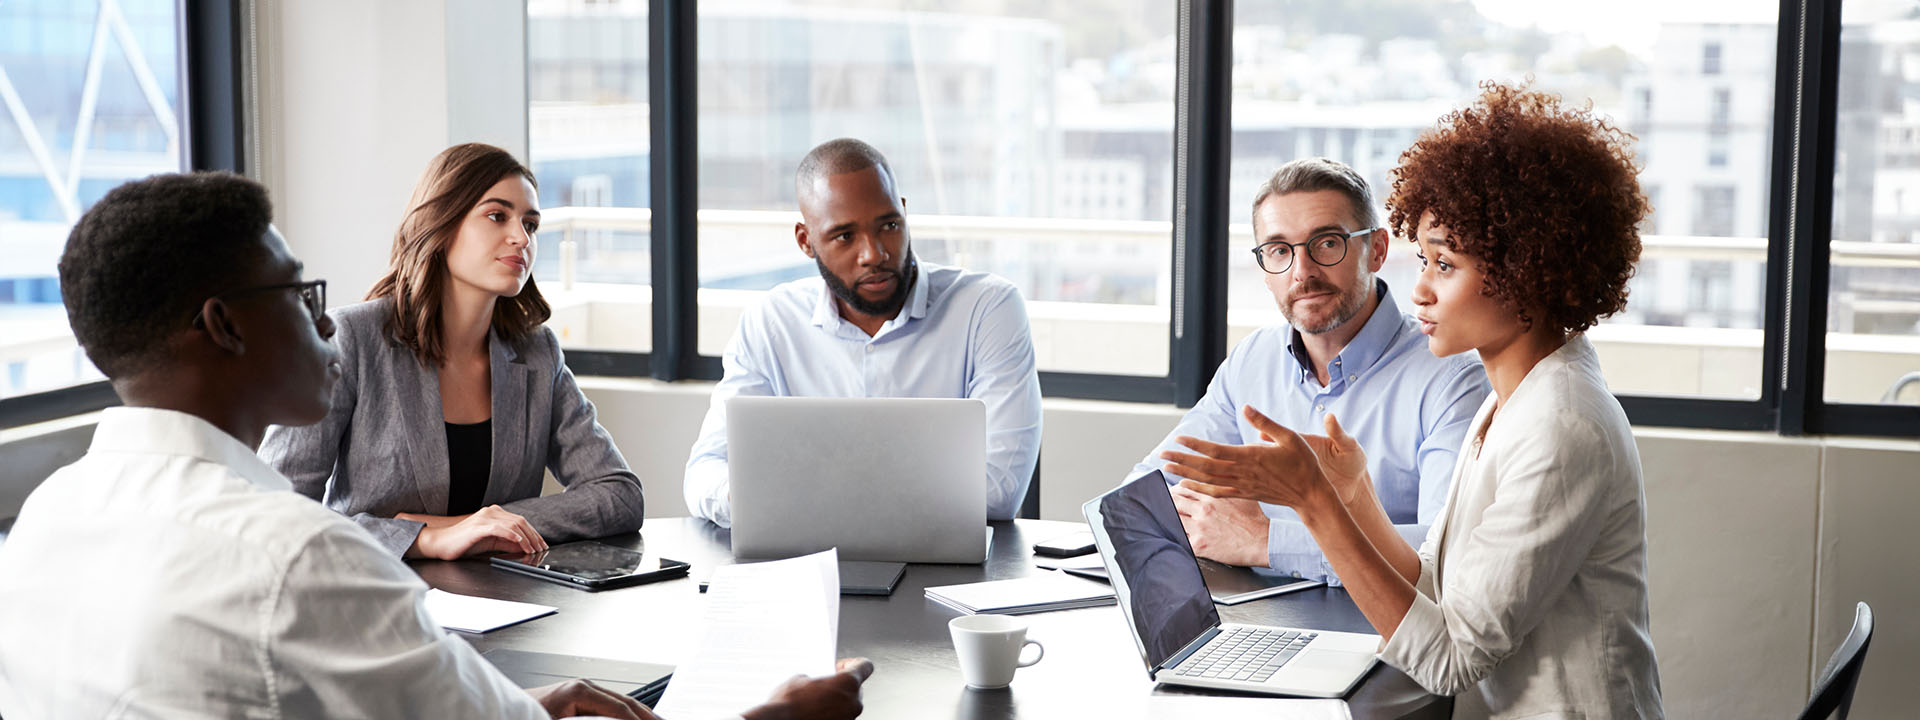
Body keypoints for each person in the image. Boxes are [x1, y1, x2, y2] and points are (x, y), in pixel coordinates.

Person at [0, 172, 872, 718]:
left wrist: (515, 704)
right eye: (297, 293)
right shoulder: (302, 561)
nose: (319, 319)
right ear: (223, 327)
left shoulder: (44, 521)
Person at [1165, 83, 1664, 718]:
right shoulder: (1514, 400)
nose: (1420, 291)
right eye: (1423, 261)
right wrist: (1355, 495)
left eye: (1445, 266)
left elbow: (1449, 661)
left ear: (1527, 273)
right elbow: (1434, 579)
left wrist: (1315, 504)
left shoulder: (1561, 428)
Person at [261, 143, 644, 560]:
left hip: (507, 605)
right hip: (375, 598)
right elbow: (276, 515)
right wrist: (425, 538)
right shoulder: (353, 338)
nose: (521, 238)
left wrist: (478, 525)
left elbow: (619, 495)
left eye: (530, 224)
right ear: (441, 224)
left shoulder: (537, 352)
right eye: (497, 216)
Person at [1127, 158, 1488, 583]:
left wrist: (1265, 542)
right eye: (1280, 251)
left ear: (1376, 250)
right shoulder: (1253, 361)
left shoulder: (1452, 379)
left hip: (1387, 637)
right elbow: (1144, 494)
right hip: (1259, 623)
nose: (1302, 272)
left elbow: (1443, 554)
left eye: (1327, 243)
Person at [683, 138, 1043, 526]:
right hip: (806, 566)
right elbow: (706, 471)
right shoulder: (771, 322)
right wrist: (744, 497)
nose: (874, 254)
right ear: (806, 241)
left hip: (947, 575)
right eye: (844, 236)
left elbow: (999, 490)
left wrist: (791, 498)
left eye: (888, 225)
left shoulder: (986, 308)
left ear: (904, 213)